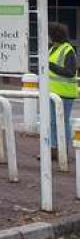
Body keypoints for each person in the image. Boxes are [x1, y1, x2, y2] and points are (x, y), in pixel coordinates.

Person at [48, 22, 77, 152]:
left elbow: (70, 72)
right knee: (53, 122)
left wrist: (50, 66)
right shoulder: (52, 49)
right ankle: (54, 148)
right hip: (52, 92)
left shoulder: (68, 50)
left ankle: (63, 149)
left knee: (63, 121)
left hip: (65, 93)